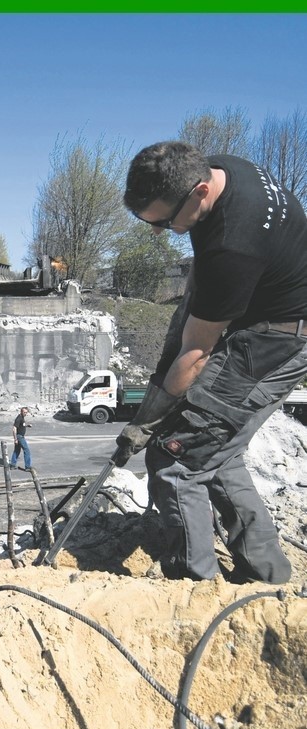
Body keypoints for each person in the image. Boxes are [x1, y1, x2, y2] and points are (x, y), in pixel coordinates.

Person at [114, 140, 307, 584]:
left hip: (274, 343)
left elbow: (196, 354)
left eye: (164, 221)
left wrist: (147, 423)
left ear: (199, 191)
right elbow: (190, 314)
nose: (159, 232)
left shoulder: (232, 248)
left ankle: (193, 589)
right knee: (212, 451)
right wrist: (163, 388)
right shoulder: (223, 170)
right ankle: (268, 574)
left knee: (175, 461)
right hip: (265, 316)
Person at [9, 406, 33, 470]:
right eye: (24, 412)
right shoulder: (18, 419)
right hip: (19, 437)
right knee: (27, 450)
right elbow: (14, 429)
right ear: (21, 412)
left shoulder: (22, 417)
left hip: (19, 436)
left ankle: (12, 465)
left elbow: (22, 425)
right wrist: (15, 439)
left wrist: (27, 425)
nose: (25, 414)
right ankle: (27, 467)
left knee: (17, 451)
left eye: (26, 412)